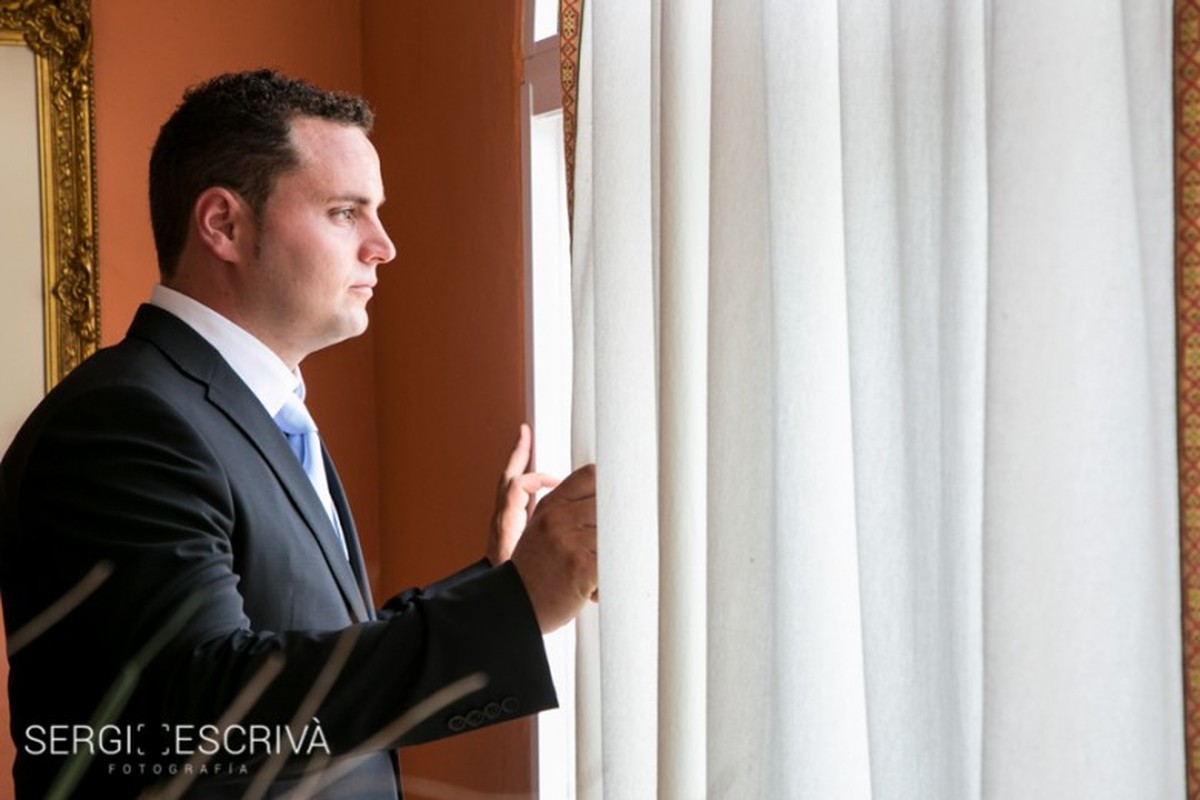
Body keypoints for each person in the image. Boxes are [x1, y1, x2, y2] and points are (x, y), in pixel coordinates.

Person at [0, 69, 597, 799]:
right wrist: (520, 604)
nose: (383, 246)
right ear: (223, 223)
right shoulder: (122, 423)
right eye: (346, 212)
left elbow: (296, 648)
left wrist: (498, 584)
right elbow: (210, 711)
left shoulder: (255, 408)